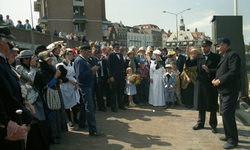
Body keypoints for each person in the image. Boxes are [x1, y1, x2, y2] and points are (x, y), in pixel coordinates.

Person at [0, 25, 33, 149]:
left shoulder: (3, 63)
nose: (11, 46)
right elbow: (5, 95)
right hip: (10, 125)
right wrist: (7, 120)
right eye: (9, 42)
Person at [16, 50, 50, 150]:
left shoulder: (33, 67)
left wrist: (36, 68)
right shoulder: (19, 68)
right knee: (34, 124)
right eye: (31, 59)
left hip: (37, 98)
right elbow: (30, 78)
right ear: (25, 59)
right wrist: (33, 67)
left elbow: (38, 80)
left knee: (41, 122)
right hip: (29, 101)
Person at [185, 39, 221, 134]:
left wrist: (209, 70)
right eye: (202, 46)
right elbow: (189, 65)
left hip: (210, 84)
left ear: (210, 47)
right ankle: (201, 122)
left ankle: (213, 124)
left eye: (205, 46)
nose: (203, 48)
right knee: (201, 104)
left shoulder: (216, 57)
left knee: (212, 105)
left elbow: (219, 70)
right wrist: (187, 56)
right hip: (200, 84)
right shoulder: (199, 57)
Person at [212, 38, 241, 149]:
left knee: (228, 114)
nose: (217, 49)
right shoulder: (225, 56)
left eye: (218, 46)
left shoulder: (233, 55)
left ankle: (233, 140)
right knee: (225, 114)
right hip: (224, 90)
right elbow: (221, 71)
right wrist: (215, 78)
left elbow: (233, 72)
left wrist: (219, 81)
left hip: (230, 90)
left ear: (225, 45)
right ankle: (228, 135)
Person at [35, 51, 68, 144]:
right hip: (48, 95)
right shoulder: (42, 70)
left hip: (55, 92)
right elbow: (46, 84)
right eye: (48, 59)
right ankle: (50, 135)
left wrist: (58, 80)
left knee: (57, 113)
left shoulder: (50, 68)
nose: (50, 60)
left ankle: (56, 132)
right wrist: (55, 77)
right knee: (50, 115)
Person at [74, 45, 104, 137]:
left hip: (87, 86)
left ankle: (82, 123)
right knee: (89, 108)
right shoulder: (79, 60)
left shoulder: (82, 60)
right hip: (85, 87)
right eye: (88, 52)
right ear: (83, 51)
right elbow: (80, 76)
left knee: (84, 105)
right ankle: (93, 130)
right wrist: (91, 70)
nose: (90, 54)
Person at [56, 48, 80, 127]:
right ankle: (69, 119)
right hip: (65, 86)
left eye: (72, 54)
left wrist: (76, 82)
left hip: (73, 85)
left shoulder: (73, 64)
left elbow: (75, 74)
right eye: (70, 54)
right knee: (67, 104)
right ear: (65, 56)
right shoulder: (61, 66)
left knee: (75, 103)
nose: (72, 55)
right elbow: (60, 77)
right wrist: (69, 79)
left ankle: (75, 118)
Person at [107, 43, 127, 112]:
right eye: (116, 47)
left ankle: (121, 105)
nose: (117, 48)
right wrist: (110, 76)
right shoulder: (111, 55)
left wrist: (124, 74)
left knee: (120, 91)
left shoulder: (121, 55)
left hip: (120, 76)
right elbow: (109, 67)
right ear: (113, 48)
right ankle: (113, 107)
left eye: (118, 47)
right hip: (114, 76)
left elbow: (122, 65)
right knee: (113, 92)